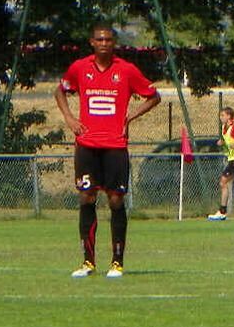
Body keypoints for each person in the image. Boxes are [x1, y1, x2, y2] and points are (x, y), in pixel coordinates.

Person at [56, 23, 161, 278]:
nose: (104, 43)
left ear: (114, 43)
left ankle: (117, 262)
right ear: (92, 42)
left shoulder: (126, 70)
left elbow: (153, 95)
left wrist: (129, 117)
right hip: (87, 145)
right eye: (99, 39)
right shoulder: (80, 68)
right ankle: (88, 262)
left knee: (115, 200)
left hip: (115, 145)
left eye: (108, 40)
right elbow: (60, 91)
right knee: (87, 197)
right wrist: (70, 119)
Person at [207, 107, 234, 220]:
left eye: (223, 115)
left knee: (223, 182)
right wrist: (223, 143)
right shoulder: (224, 128)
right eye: (220, 115)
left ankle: (222, 211)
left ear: (229, 116)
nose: (221, 118)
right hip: (232, 159)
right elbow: (229, 141)